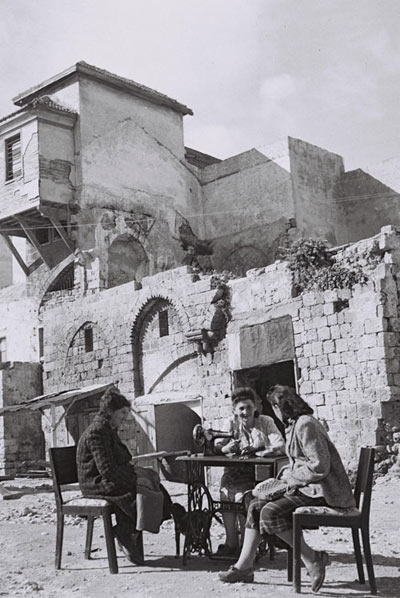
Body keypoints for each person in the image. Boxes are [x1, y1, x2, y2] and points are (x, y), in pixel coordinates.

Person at [218, 385, 356, 592]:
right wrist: (285, 475)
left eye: (275, 407)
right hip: (310, 487)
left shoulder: (306, 425)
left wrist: (290, 480)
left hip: (324, 491)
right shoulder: (295, 425)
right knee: (255, 506)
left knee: (270, 511)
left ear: (280, 406)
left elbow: (319, 466)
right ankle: (244, 566)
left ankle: (312, 559)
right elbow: (301, 461)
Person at [77, 387, 185, 565]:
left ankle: (131, 531)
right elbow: (107, 469)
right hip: (94, 482)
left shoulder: (107, 429)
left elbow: (117, 462)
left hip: (106, 478)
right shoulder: (97, 432)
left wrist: (137, 476)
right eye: (123, 413)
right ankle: (124, 534)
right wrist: (134, 479)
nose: (125, 417)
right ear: (110, 412)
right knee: (135, 493)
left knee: (152, 483)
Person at [213, 387, 285, 557]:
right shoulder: (230, 423)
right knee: (225, 495)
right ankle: (231, 542)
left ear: (255, 408)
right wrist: (224, 448)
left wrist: (260, 449)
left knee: (245, 498)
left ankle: (247, 546)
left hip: (260, 476)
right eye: (241, 409)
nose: (246, 412)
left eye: (249, 408)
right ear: (235, 411)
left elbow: (280, 444)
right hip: (233, 474)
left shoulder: (265, 422)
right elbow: (216, 444)